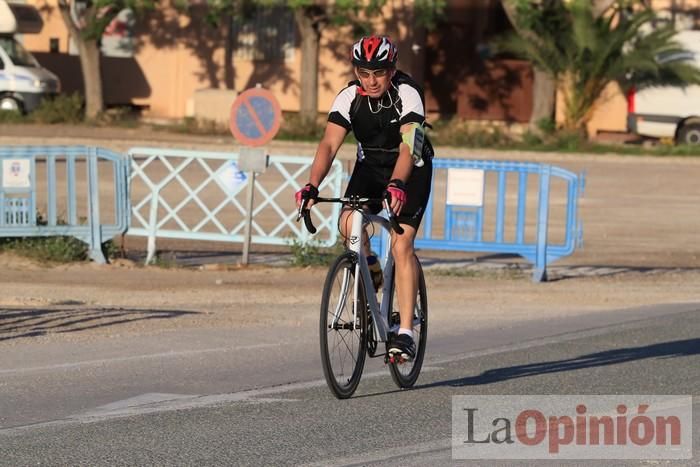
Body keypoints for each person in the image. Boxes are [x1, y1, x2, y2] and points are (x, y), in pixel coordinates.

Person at [295, 35, 433, 361]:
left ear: (392, 70)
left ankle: (405, 331)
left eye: (379, 73)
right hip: (370, 166)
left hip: (410, 167)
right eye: (364, 73)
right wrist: (312, 185)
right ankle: (370, 267)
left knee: (401, 245)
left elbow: (410, 144)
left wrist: (398, 182)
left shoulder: (408, 93)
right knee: (347, 225)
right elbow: (329, 144)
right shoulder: (348, 97)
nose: (371, 81)